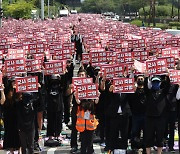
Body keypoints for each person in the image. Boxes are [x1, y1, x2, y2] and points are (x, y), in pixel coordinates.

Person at [144, 76, 169, 154]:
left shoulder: (163, 92)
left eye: (157, 82)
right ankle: (148, 153)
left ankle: (159, 153)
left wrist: (167, 76)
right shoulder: (148, 92)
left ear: (160, 83)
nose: (156, 84)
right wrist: (146, 77)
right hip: (150, 118)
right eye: (154, 82)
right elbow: (145, 86)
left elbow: (168, 86)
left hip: (160, 118)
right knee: (148, 136)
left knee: (160, 137)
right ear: (151, 83)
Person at [107, 84, 131, 154]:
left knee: (124, 133)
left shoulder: (127, 90)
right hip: (115, 114)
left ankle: (124, 148)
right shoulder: (113, 89)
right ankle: (112, 149)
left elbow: (131, 98)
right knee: (113, 132)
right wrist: (110, 91)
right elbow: (108, 98)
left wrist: (133, 89)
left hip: (124, 114)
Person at [70, 69, 87, 153]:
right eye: (79, 75)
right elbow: (67, 94)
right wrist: (71, 89)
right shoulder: (74, 85)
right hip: (76, 108)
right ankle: (74, 145)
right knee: (74, 128)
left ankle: (84, 146)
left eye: (82, 75)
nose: (81, 77)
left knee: (85, 128)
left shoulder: (89, 85)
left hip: (86, 109)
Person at [128, 75, 146, 153]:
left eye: (142, 79)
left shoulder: (146, 90)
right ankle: (134, 147)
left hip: (145, 115)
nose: (140, 80)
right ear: (136, 80)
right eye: (139, 79)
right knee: (135, 132)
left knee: (146, 132)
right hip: (135, 115)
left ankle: (145, 147)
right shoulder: (133, 90)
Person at [46, 74, 64, 143]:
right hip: (50, 105)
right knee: (50, 121)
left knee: (58, 120)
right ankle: (50, 135)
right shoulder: (49, 85)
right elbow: (45, 83)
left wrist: (62, 74)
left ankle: (57, 134)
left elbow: (64, 84)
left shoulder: (60, 85)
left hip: (59, 105)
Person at [3, 83, 20, 154]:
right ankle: (11, 150)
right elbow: (2, 102)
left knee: (18, 133)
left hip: (17, 118)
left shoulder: (16, 98)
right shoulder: (6, 100)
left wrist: (16, 89)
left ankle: (19, 150)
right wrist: (1, 90)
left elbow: (19, 100)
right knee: (9, 133)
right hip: (8, 119)